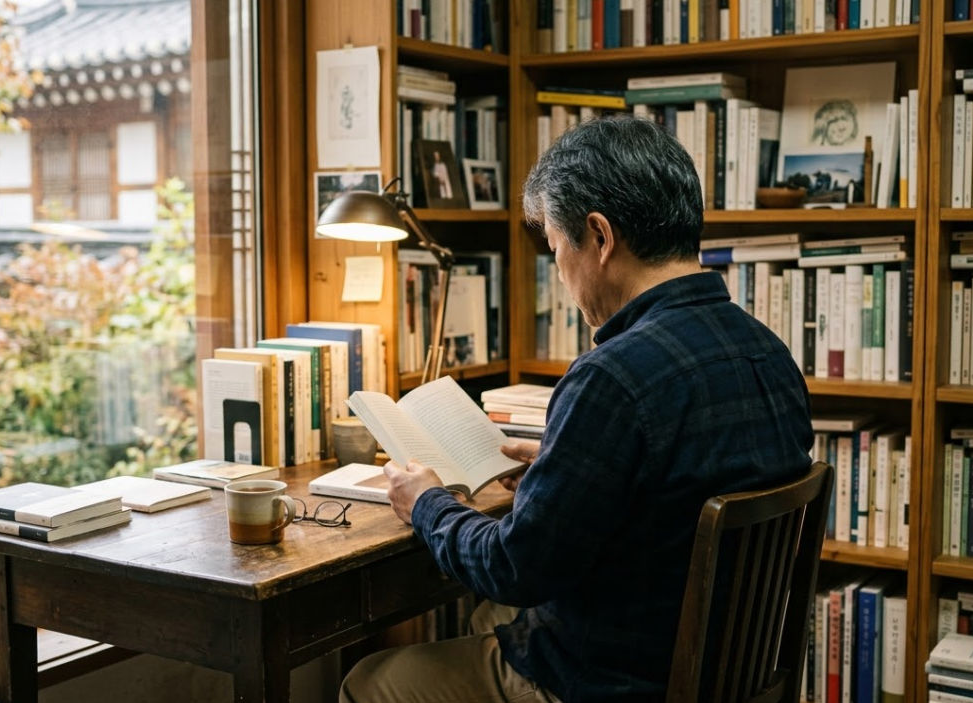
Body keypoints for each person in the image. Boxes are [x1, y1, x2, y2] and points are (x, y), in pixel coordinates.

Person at [339, 115, 814, 703]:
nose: (562, 275)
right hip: (721, 670)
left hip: (617, 681)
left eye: (557, 250)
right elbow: (680, 484)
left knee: (371, 683)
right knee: (490, 621)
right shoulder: (768, 352)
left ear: (599, 237)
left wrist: (428, 503)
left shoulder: (611, 378)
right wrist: (563, 464)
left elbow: (515, 569)